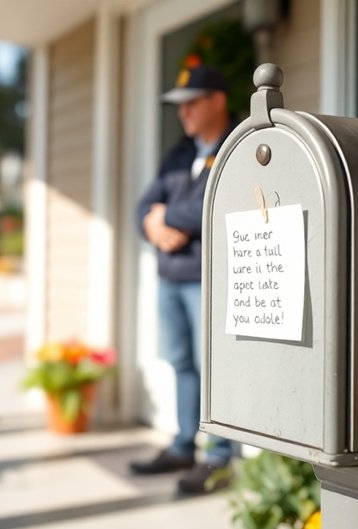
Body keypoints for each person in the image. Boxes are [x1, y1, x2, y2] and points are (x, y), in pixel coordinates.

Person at [129, 64, 237, 494]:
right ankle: (182, 446)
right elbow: (144, 205)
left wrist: (166, 217)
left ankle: (219, 456)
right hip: (170, 276)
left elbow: (221, 201)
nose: (183, 113)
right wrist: (152, 226)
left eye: (191, 103)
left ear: (217, 101)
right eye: (180, 106)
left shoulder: (236, 144)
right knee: (183, 363)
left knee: (215, 369)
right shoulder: (180, 152)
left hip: (208, 278)